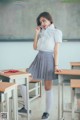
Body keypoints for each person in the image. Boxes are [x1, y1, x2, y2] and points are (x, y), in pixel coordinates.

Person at [19, 12, 62, 120]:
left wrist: (56, 65)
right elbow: (35, 47)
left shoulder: (56, 32)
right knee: (22, 82)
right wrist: (37, 33)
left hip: (48, 60)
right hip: (38, 58)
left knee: (48, 87)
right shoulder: (41, 32)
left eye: (44, 21)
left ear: (50, 20)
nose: (42, 23)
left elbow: (56, 50)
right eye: (40, 22)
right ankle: (26, 107)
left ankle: (47, 112)